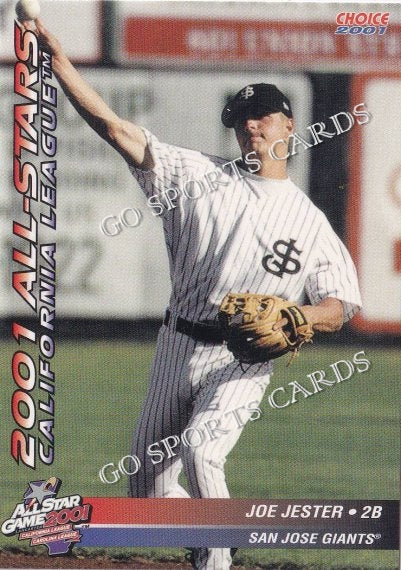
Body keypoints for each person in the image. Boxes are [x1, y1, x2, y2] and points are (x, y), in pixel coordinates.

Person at [29, 18, 362, 570]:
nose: (250, 126)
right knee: (145, 488)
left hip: (243, 359)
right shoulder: (196, 176)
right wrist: (59, 63)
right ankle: (221, 536)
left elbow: (342, 304)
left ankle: (216, 557)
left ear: (289, 124)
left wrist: (299, 315)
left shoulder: (309, 220)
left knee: (203, 451)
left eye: (262, 115)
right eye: (239, 118)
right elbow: (116, 129)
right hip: (176, 343)